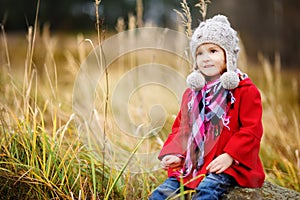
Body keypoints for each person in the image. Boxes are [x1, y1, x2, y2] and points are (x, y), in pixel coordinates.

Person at [149, 14, 265, 200]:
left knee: (207, 191)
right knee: (160, 194)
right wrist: (177, 154)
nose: (205, 58)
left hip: (229, 164)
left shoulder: (244, 91)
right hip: (193, 165)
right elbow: (182, 128)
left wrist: (230, 155)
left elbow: (251, 130)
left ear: (229, 57)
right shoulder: (193, 94)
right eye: (199, 53)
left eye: (213, 51)